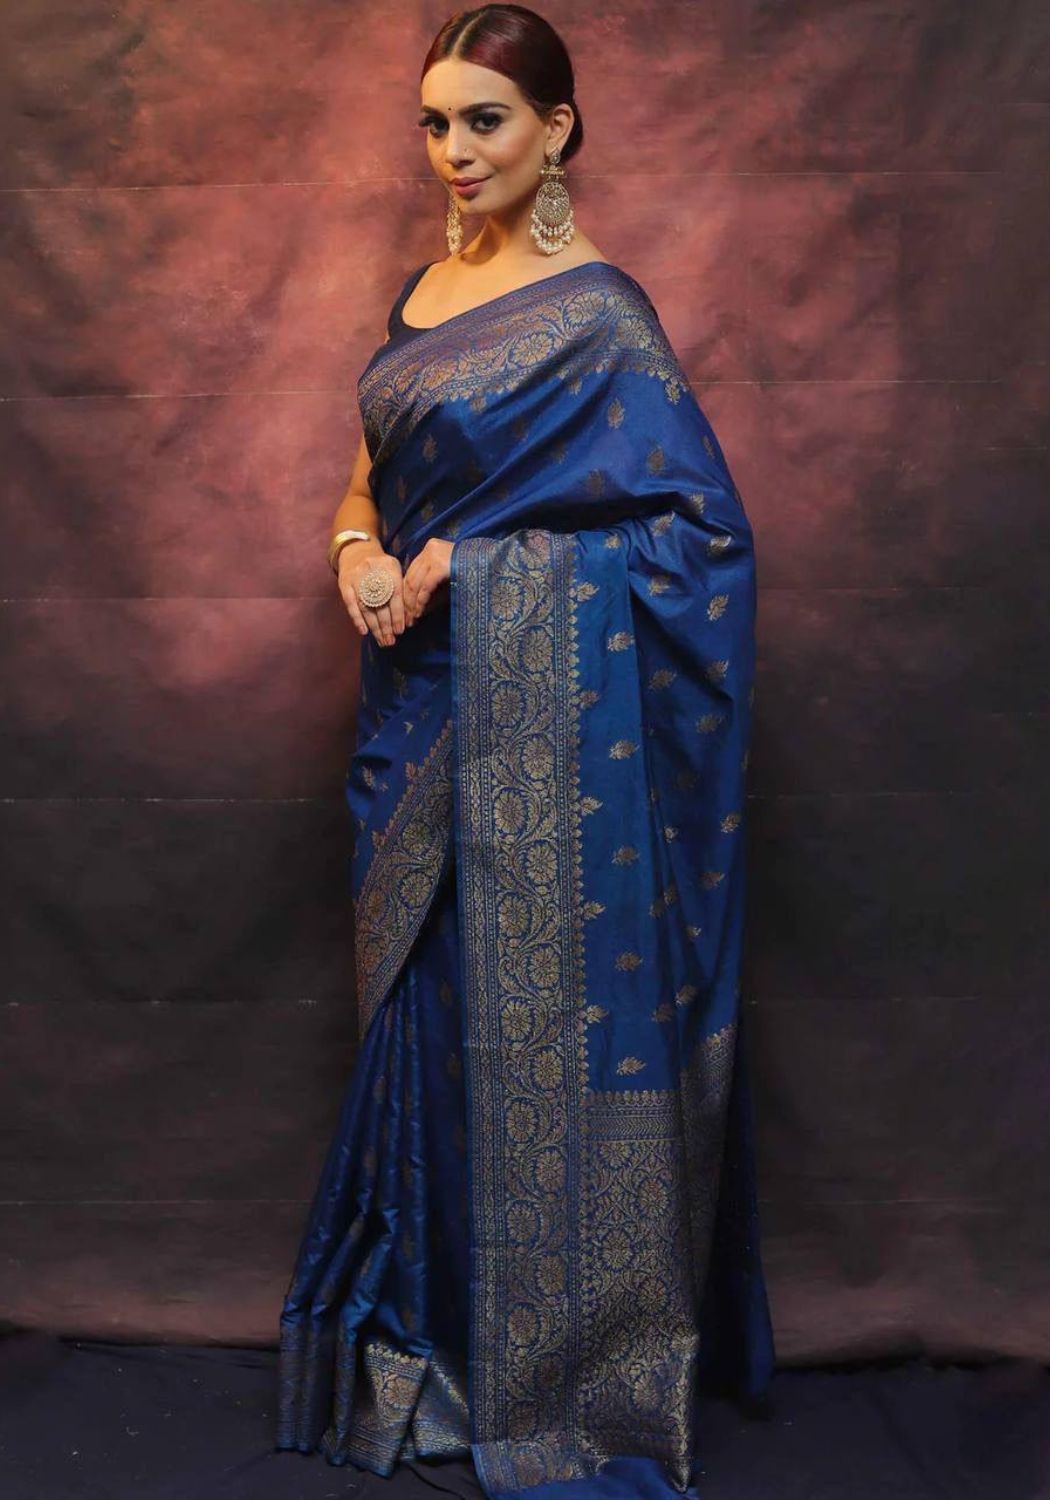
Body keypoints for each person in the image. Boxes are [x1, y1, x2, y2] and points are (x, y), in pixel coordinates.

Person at [276, 6, 776, 1496]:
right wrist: (360, 556)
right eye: (433, 122)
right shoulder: (420, 295)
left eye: (483, 119)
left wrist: (478, 574)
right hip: (416, 720)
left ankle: (559, 1369)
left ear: (556, 129)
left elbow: (704, 548)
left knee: (545, 1032)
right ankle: (428, 1346)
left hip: (545, 733)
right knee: (428, 1032)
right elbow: (365, 486)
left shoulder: (602, 318)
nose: (453, 150)